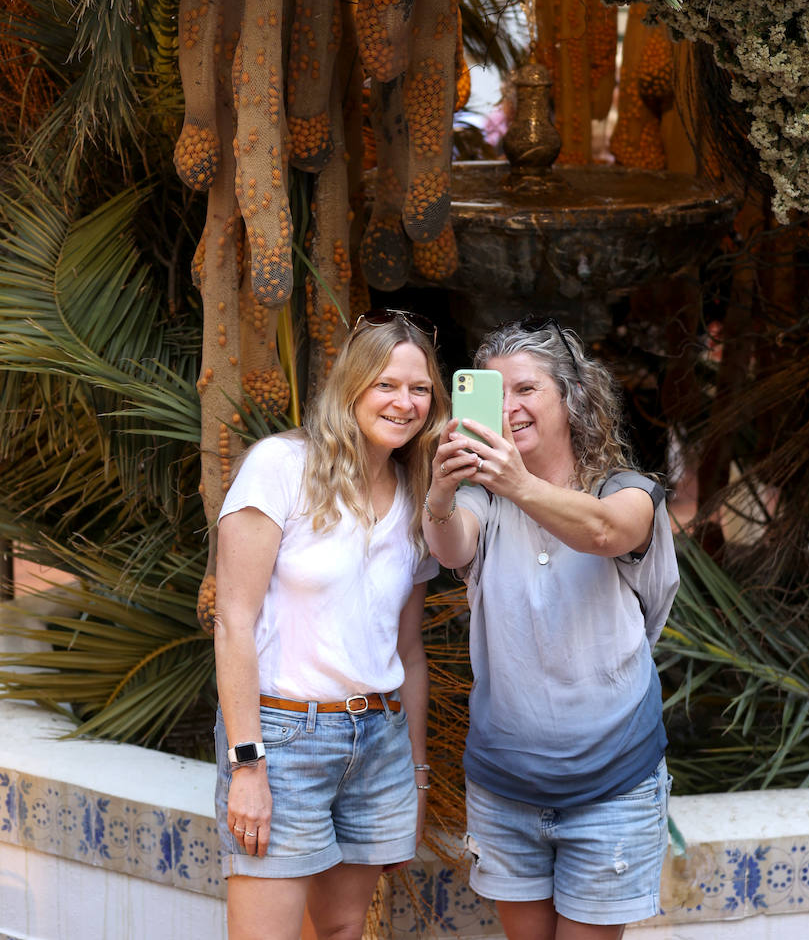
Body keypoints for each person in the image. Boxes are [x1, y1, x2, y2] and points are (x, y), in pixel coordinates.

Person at [422, 318, 679, 940]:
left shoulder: (628, 491)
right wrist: (439, 493)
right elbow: (453, 549)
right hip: (505, 785)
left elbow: (603, 531)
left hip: (613, 784)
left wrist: (517, 481)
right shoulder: (485, 499)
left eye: (526, 389)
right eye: (492, 390)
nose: (508, 407)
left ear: (572, 398)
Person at [214, 309, 449, 940]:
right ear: (351, 386)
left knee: (345, 929)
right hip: (284, 736)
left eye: (420, 389)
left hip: (379, 739)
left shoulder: (417, 494)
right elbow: (234, 623)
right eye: (387, 385)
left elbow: (409, 648)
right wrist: (247, 767)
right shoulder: (281, 467)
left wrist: (417, 772)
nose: (405, 403)